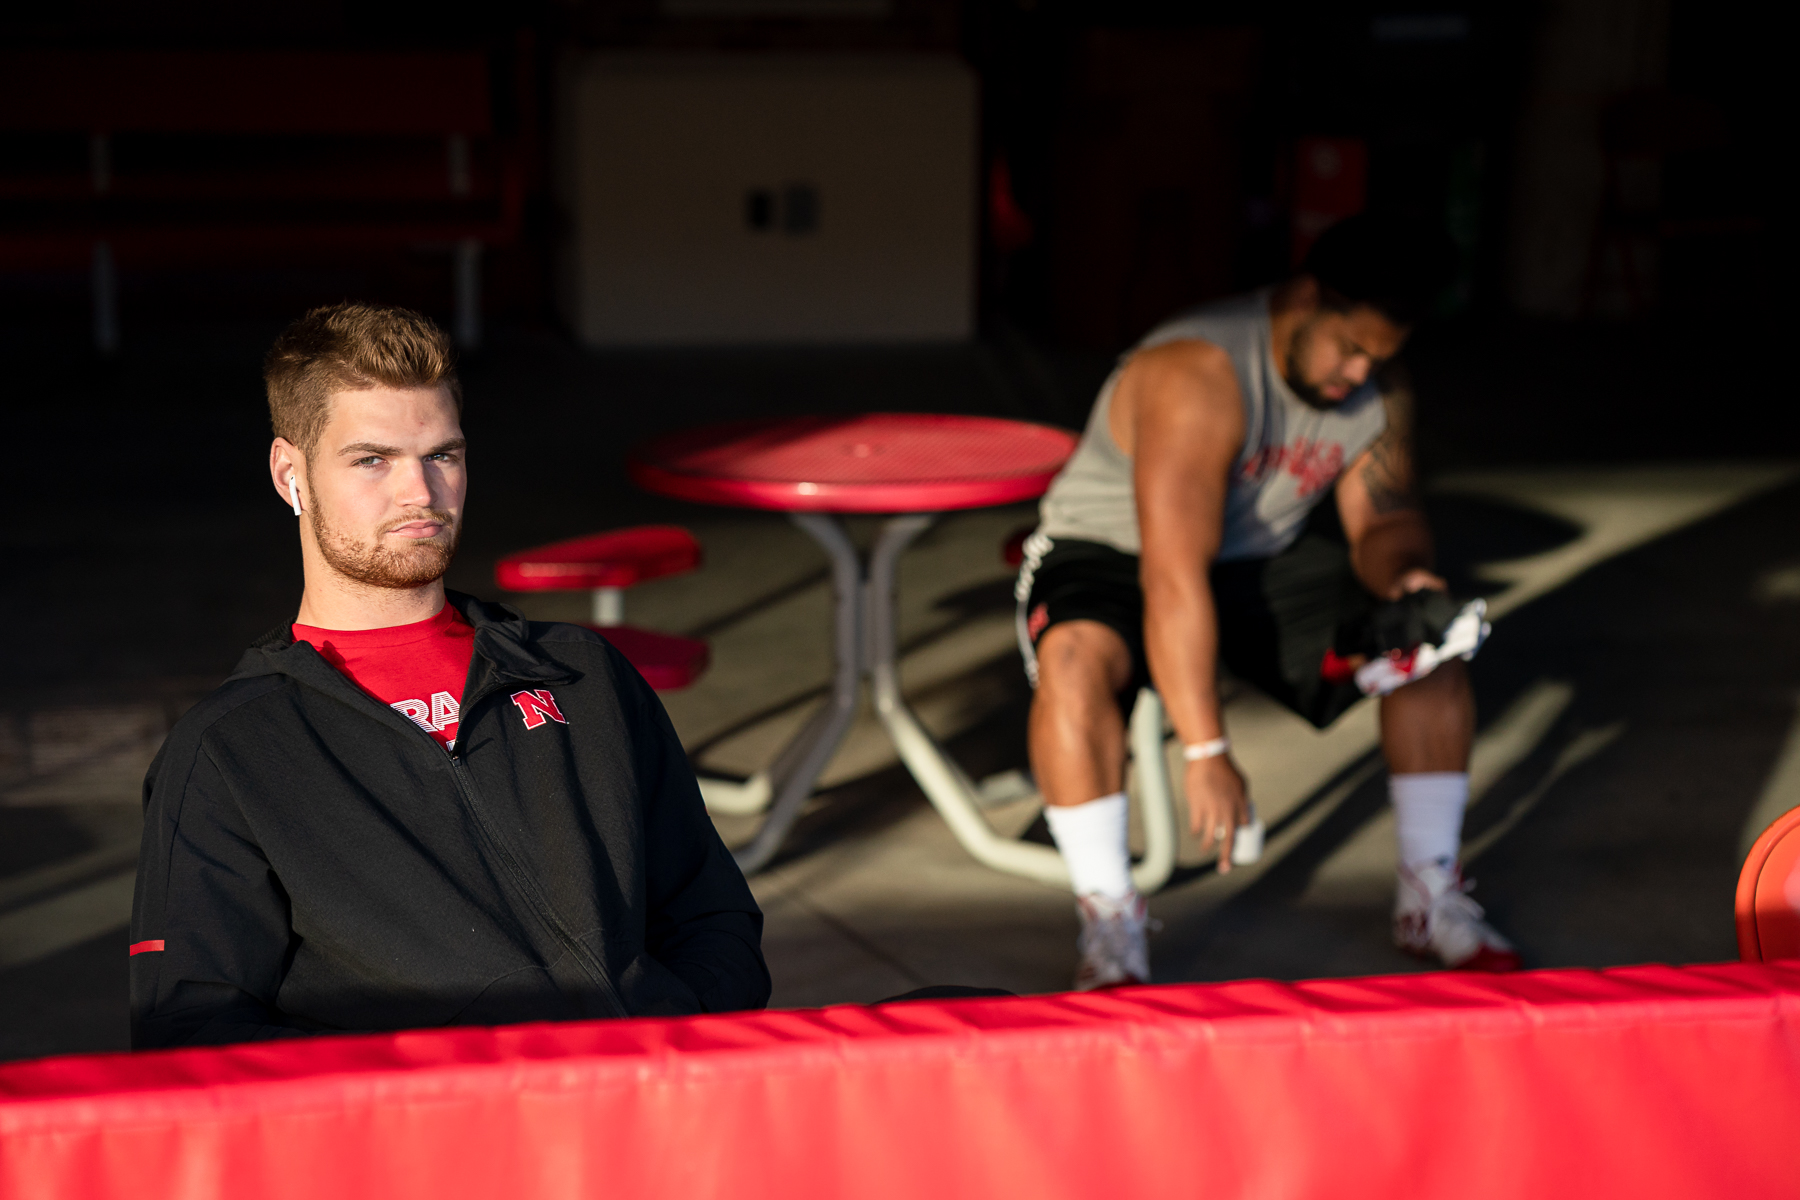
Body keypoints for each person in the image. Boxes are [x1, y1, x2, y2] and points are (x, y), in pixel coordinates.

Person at [130, 303, 768, 1047]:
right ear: (289, 474)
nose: (421, 494)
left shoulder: (581, 675)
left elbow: (713, 918)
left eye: (443, 456)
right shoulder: (231, 752)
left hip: (646, 1115)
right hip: (438, 1145)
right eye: (372, 460)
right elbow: (197, 1034)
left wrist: (668, 1046)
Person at [1017, 215, 1517, 989]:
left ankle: (1429, 895)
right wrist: (1207, 751)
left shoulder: (1378, 384)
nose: (1357, 373)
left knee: (1430, 645)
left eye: (1379, 358)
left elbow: (1383, 518)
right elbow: (1174, 572)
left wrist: (1407, 579)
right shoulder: (1198, 369)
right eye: (1349, 348)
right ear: (1307, 295)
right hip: (1113, 552)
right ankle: (1109, 922)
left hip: (1255, 556)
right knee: (1075, 660)